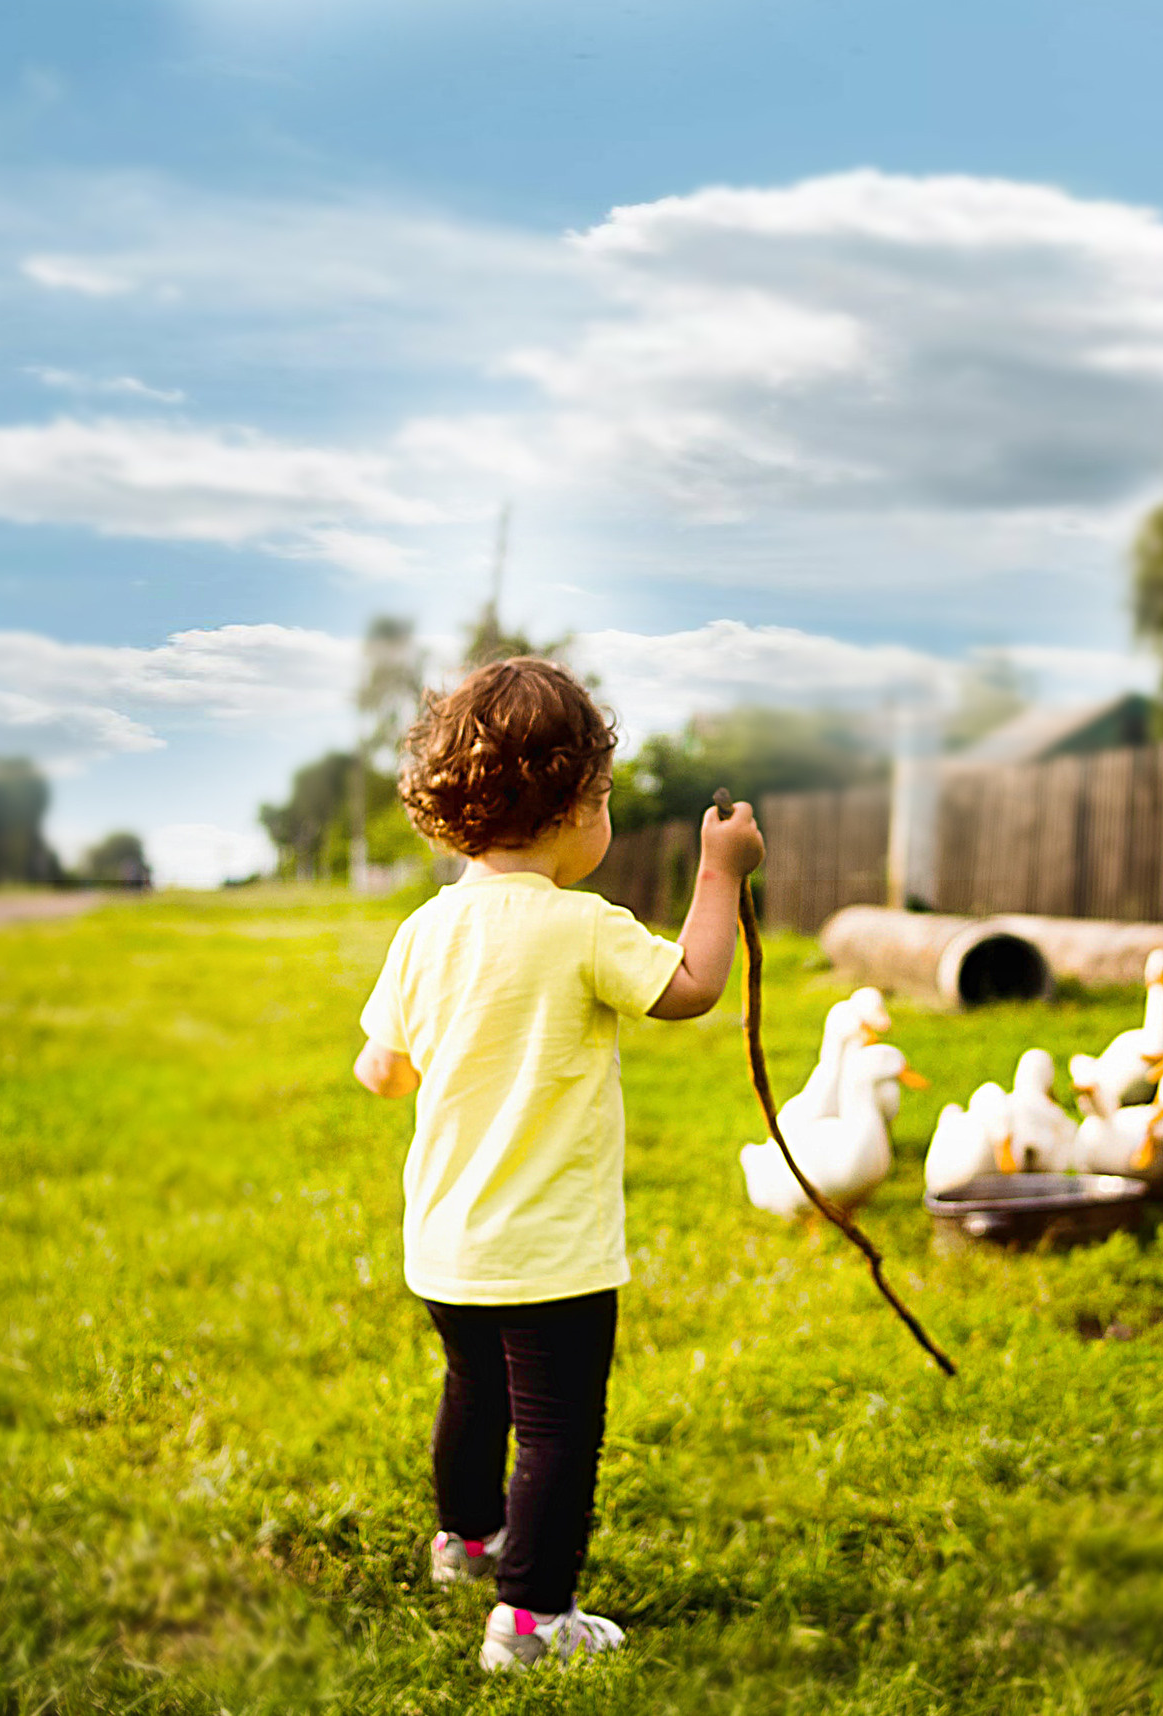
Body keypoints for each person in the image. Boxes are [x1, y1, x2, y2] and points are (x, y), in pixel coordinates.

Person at [352, 656, 763, 1671]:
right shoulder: (582, 929)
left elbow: (380, 1071)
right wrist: (721, 872)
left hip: (447, 1241)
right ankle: (530, 1621)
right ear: (576, 805)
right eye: (606, 795)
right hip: (553, 1257)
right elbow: (695, 986)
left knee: (471, 1393)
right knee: (555, 1433)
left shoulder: (424, 932)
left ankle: (465, 1543)